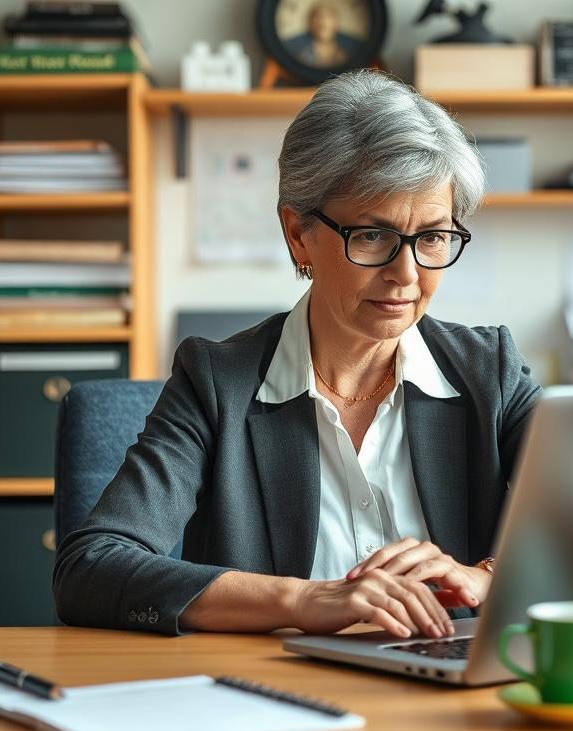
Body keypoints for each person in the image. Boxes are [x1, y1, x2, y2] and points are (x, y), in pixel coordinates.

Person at [53, 69, 541, 639]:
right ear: (298, 234)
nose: (406, 275)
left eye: (432, 237)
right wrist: (304, 600)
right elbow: (91, 568)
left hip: (451, 703)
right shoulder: (217, 384)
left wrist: (488, 578)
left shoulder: (491, 372)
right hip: (274, 700)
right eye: (372, 236)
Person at [285, 2, 361, 68]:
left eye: (329, 16)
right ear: (309, 22)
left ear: (337, 22)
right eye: (317, 17)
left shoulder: (354, 46)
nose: (323, 22)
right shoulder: (292, 47)